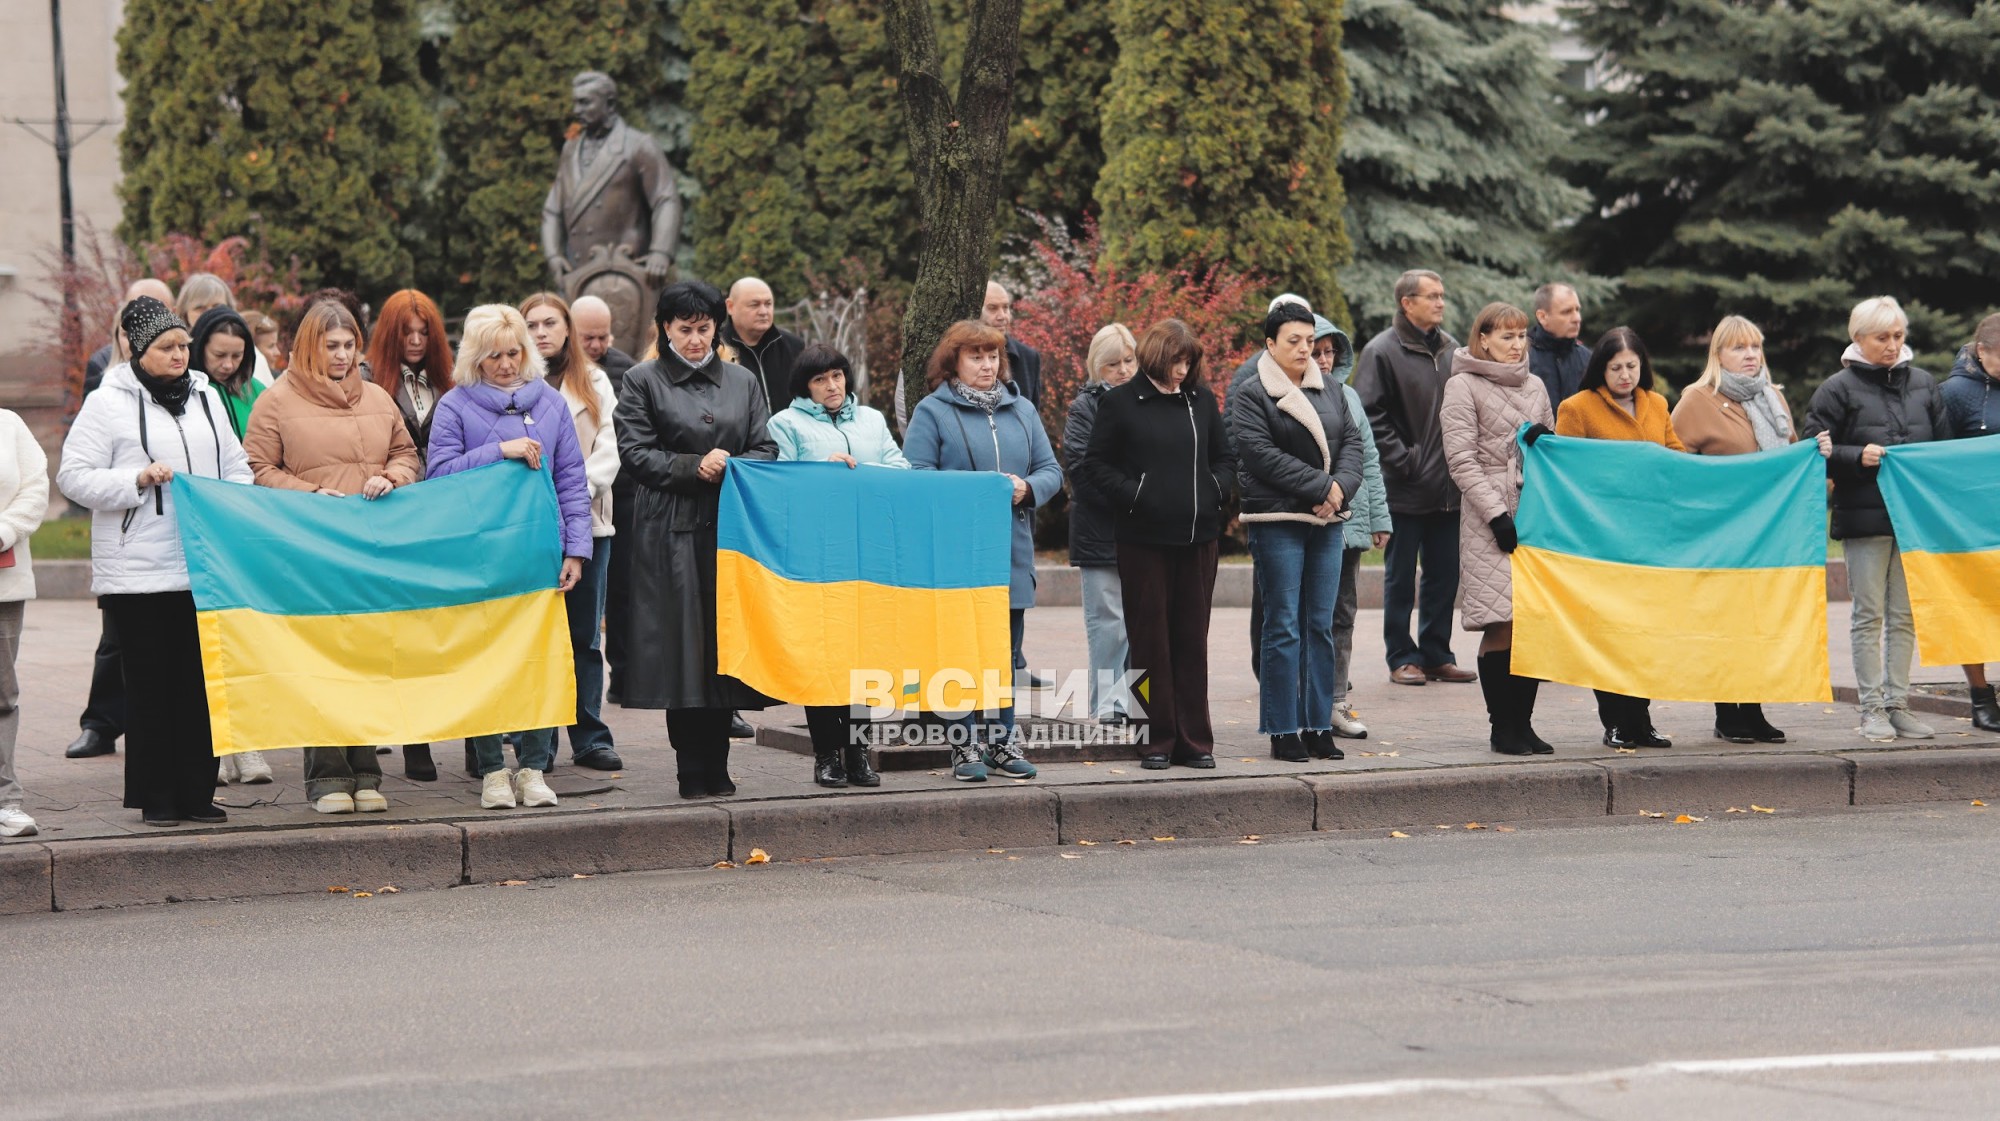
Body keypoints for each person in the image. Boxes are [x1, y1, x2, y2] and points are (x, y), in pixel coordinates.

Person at [56, 296, 253, 827]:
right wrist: (135, 481)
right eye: (167, 347)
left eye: (185, 345)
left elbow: (238, 465)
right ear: (138, 350)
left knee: (199, 681)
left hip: (202, 563)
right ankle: (157, 797)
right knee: (149, 683)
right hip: (137, 570)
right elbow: (72, 475)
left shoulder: (208, 397)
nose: (180, 355)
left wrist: (227, 499)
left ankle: (196, 792)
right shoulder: (107, 402)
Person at [242, 303, 422, 810]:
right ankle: (326, 777)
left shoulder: (380, 398)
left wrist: (392, 478)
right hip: (311, 549)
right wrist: (307, 495)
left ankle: (366, 772)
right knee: (322, 659)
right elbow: (256, 466)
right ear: (308, 347)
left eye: (349, 345)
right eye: (331, 346)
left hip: (371, 547)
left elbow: (407, 453)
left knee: (366, 657)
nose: (342, 356)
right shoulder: (276, 401)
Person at [428, 305, 594, 809]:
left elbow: (571, 479)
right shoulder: (455, 406)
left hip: (540, 552)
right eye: (494, 355)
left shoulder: (551, 403)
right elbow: (438, 476)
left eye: (514, 352)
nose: (505, 363)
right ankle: (493, 771)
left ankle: (534, 769)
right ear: (476, 358)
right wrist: (500, 451)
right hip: (480, 556)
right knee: (486, 664)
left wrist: (577, 550)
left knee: (539, 663)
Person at [615, 281, 776, 798]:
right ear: (665, 329)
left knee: (724, 644)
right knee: (682, 649)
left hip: (731, 526)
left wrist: (733, 463)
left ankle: (720, 761)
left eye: (703, 329)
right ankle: (691, 766)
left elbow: (765, 446)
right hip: (669, 527)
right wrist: (692, 465)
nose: (694, 340)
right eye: (684, 330)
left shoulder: (742, 381)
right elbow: (635, 454)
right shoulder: (642, 380)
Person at [904, 320, 1062, 781]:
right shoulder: (932, 412)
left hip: (1011, 554)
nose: (987, 365)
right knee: (958, 653)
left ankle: (1002, 744)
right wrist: (971, 494)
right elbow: (918, 476)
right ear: (953, 361)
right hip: (956, 556)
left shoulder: (1022, 410)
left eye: (992, 356)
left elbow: (1051, 470)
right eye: (975, 356)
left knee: (1004, 655)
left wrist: (1026, 488)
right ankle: (963, 746)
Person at [1078, 320, 1235, 769]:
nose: (1182, 370)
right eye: (1174, 361)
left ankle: (1195, 742)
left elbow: (1224, 458)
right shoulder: (1121, 403)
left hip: (1198, 539)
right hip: (1143, 541)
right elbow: (1096, 465)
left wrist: (1216, 490)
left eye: (1188, 362)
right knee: (1150, 643)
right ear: (1154, 358)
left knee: (1191, 641)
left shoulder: (1201, 402)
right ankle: (1154, 740)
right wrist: (1137, 495)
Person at [1672, 315, 1831, 743]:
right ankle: (1728, 712)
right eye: (1738, 348)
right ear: (1718, 355)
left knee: (1761, 621)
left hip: (1769, 536)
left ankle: (1755, 708)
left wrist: (1816, 453)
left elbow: (1788, 458)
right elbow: (1675, 465)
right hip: (1723, 533)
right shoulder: (1696, 399)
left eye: (1755, 347)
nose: (1749, 356)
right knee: (1729, 621)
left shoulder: (1772, 397)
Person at [1802, 296, 1947, 743]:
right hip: (1865, 517)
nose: (1891, 345)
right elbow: (1813, 448)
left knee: (1903, 615)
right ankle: (1871, 710)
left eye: (1898, 336)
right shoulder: (1837, 388)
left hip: (1912, 520)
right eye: (1882, 337)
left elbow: (1942, 451)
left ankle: (1898, 705)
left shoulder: (1924, 384)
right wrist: (1853, 456)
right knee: (1868, 614)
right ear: (1858, 338)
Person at [1229, 301, 1364, 762]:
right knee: (1283, 625)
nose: (1306, 349)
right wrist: (1322, 486)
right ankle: (1284, 728)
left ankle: (1316, 723)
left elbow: (1353, 445)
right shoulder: (1251, 393)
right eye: (1294, 341)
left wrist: (1339, 490)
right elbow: (1259, 454)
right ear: (1270, 344)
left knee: (1319, 625)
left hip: (1328, 519)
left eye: (1310, 341)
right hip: (1279, 520)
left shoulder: (1331, 389)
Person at [769, 342, 905, 787]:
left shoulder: (871, 419)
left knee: (864, 655)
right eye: (820, 379)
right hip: (818, 557)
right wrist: (820, 470)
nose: (832, 386)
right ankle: (826, 753)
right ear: (804, 386)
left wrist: (874, 475)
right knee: (824, 655)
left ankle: (859, 753)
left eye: (838, 376)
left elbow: (898, 467)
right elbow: (782, 483)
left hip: (869, 554)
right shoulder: (784, 424)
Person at [1556, 327, 1683, 747]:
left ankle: (1641, 720)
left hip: (1649, 538)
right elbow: (1568, 472)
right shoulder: (1578, 408)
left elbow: (1675, 456)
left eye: (1632, 366)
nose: (1625, 375)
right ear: (1600, 369)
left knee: (1644, 632)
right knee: (1610, 632)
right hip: (1603, 539)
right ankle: (1615, 721)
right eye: (1616, 367)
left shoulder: (1659, 403)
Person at [1440, 302, 1556, 756]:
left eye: (1521, 336)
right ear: (1482, 339)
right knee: (1501, 619)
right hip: (1490, 515)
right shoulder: (1461, 385)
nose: (1516, 345)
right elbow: (1461, 461)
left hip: (1533, 515)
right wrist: (1496, 515)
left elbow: (1548, 451)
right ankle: (1501, 727)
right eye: (1505, 337)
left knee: (1530, 622)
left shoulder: (1537, 385)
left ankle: (1523, 724)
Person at [1354, 269, 1477, 687]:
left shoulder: (1452, 350)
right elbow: (1370, 415)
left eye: (1442, 295)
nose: (1441, 302)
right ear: (1407, 303)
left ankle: (1436, 653)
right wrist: (1406, 460)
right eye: (1432, 296)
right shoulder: (1380, 351)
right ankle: (1402, 656)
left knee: (1445, 574)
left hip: (1449, 487)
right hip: (1405, 487)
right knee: (1401, 577)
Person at [521, 292, 625, 772]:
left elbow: (609, 448)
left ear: (567, 329)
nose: (541, 332)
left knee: (584, 634)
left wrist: (570, 491)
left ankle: (590, 735)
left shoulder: (596, 381)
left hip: (588, 521)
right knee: (535, 634)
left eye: (550, 323)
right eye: (532, 324)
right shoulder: (514, 382)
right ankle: (536, 742)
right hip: (529, 525)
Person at [1313, 314, 1392, 739]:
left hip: (1351, 524)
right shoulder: (1288, 396)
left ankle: (1336, 700)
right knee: (1311, 615)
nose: (1324, 360)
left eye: (1330, 353)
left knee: (1343, 612)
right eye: (1316, 352)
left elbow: (1370, 460)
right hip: (1313, 521)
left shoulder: (1348, 397)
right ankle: (1307, 701)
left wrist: (1379, 517)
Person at [1064, 323, 1138, 726]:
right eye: (1113, 364)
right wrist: (1132, 495)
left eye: (1129, 361)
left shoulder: (1149, 401)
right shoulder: (1085, 407)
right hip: (1101, 530)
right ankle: (1110, 705)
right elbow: (1081, 468)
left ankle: (1139, 702)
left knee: (1141, 624)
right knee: (1109, 624)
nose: (1123, 370)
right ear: (1097, 366)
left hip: (1144, 531)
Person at [1941, 313, 2000, 731]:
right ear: (1982, 352)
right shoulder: (1953, 395)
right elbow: (1935, 457)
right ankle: (1981, 697)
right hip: (1969, 523)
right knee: (1971, 608)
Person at [0, 405, 50, 837]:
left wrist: (4, 530)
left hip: (3, 581)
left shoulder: (9, 425)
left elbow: (35, 488)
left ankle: (5, 800)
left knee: (2, 693)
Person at [367, 290, 455, 469]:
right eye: (406, 333)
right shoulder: (368, 379)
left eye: (424, 333)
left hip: (442, 483)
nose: (416, 341)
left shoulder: (450, 377)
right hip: (394, 486)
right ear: (390, 335)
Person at [719, 278, 806, 413]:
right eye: (754, 305)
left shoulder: (793, 346)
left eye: (768, 304)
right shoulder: (716, 350)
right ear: (730, 307)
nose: (763, 311)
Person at [85, 278, 174, 395]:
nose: (146, 318)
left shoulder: (190, 369)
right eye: (137, 309)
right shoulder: (101, 366)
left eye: (157, 311)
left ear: (174, 314)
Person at [189, 307, 263, 440]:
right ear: (199, 349)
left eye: (237, 356)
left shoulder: (259, 391)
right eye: (219, 355)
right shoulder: (184, 394)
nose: (228, 365)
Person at [1528, 283, 1587, 410]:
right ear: (1542, 317)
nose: (1577, 318)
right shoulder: (1521, 357)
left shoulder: (1588, 358)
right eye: (1566, 312)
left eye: (1577, 310)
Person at [572, 295, 636, 392]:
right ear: (570, 332)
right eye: (589, 338)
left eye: (603, 338)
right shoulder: (554, 368)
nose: (596, 345)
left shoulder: (627, 370)